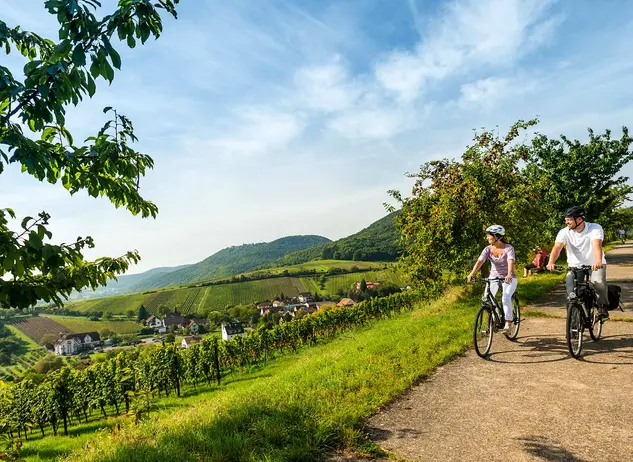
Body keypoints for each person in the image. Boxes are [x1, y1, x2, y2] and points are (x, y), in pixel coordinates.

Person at [546, 206, 609, 318]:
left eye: (569, 219)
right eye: (566, 219)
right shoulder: (564, 232)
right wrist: (551, 262)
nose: (567, 222)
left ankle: (602, 305)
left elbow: (596, 244)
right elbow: (557, 248)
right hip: (574, 266)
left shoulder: (594, 228)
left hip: (595, 264)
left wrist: (598, 261)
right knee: (571, 293)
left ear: (579, 219)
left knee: (598, 282)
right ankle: (574, 324)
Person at [467, 225, 517, 331]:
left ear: (496, 236)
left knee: (505, 298)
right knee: (487, 299)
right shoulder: (487, 249)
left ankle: (508, 324)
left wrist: (509, 274)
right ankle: (496, 317)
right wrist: (472, 273)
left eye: (489, 235)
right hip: (493, 277)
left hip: (508, 278)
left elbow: (510, 261)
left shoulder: (508, 248)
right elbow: (480, 261)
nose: (487, 238)